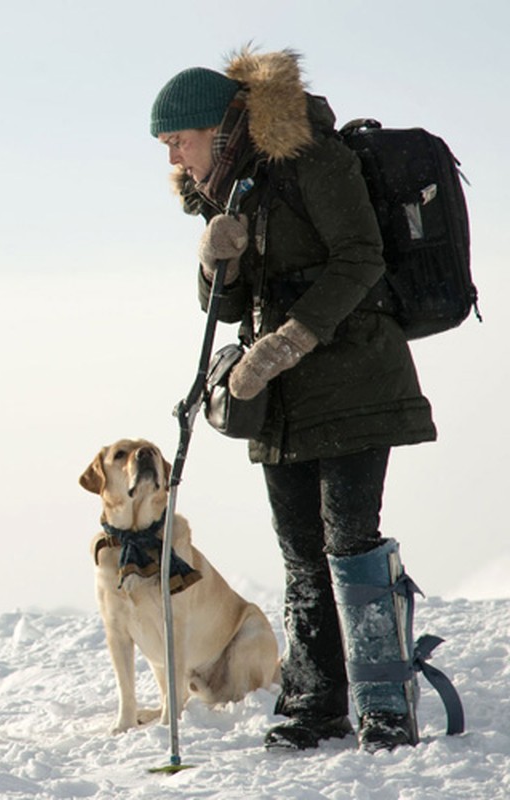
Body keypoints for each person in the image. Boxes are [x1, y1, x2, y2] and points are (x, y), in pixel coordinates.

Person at [149, 47, 438, 752]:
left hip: (353, 381)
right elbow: (232, 306)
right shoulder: (233, 188)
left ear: (216, 128)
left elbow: (360, 258)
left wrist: (289, 341)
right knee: (302, 551)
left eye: (178, 142)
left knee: (350, 542)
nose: (175, 160)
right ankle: (315, 702)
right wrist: (215, 261)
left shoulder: (312, 158)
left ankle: (384, 704)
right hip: (280, 400)